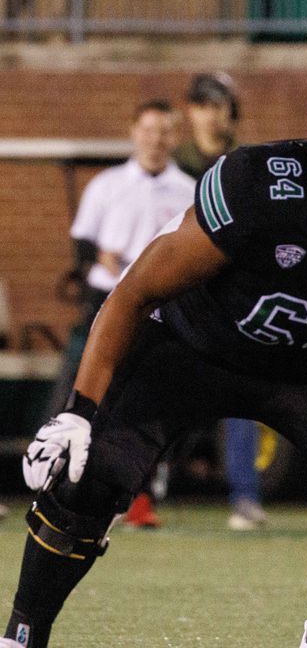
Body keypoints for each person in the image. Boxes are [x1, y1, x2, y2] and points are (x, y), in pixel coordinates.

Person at [2, 77, 307, 648]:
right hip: (194, 350)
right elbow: (134, 292)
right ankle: (21, 635)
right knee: (87, 475)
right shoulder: (259, 185)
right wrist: (79, 410)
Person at [55, 100, 195, 529]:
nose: (155, 140)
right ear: (134, 131)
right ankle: (60, 481)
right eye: (148, 130)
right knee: (81, 392)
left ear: (174, 136)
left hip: (159, 307)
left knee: (147, 398)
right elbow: (83, 247)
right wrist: (108, 260)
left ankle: (137, 497)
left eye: (164, 131)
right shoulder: (107, 184)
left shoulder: (188, 188)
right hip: (106, 299)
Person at [172, 72, 265, 532]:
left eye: (218, 104)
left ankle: (245, 496)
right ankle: (128, 497)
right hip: (179, 289)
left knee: (242, 399)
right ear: (190, 110)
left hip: (231, 295)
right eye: (202, 104)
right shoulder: (175, 165)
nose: (210, 113)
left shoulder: (242, 163)